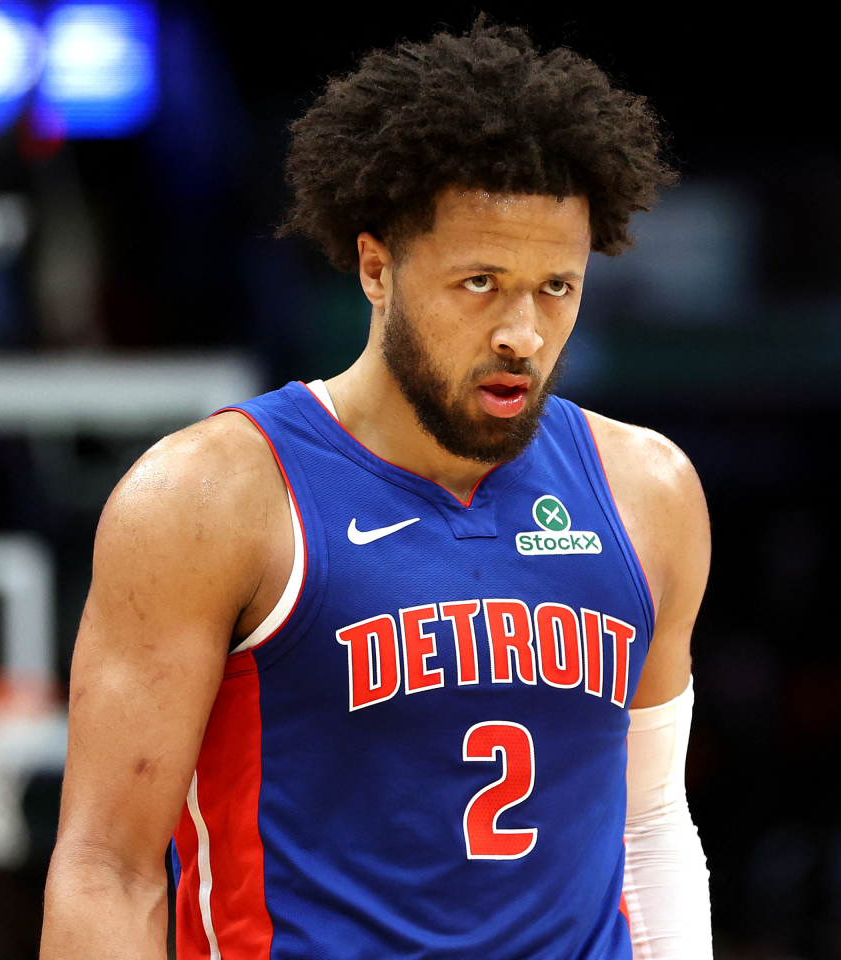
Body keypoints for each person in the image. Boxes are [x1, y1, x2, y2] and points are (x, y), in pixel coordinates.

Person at [41, 19, 712, 960]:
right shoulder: (212, 498)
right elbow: (107, 870)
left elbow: (651, 827)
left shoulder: (649, 491)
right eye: (480, 282)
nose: (521, 330)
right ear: (376, 269)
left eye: (555, 288)